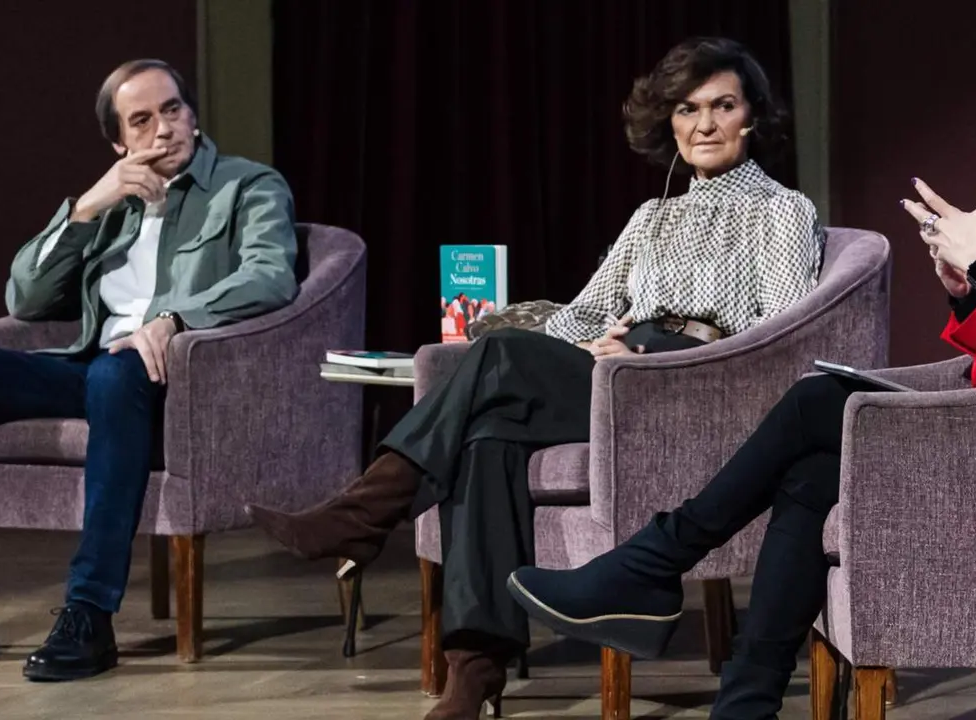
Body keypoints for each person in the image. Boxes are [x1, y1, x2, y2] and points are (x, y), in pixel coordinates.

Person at [507, 8, 976, 719]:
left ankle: (650, 565)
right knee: (810, 468)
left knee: (819, 403)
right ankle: (743, 699)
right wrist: (968, 291)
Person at [245, 37, 823, 719]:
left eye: (723, 106)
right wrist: (589, 341)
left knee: (495, 362)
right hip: (616, 371)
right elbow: (581, 312)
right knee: (487, 434)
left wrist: (656, 360)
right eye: (688, 109)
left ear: (753, 117)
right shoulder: (652, 216)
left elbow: (781, 340)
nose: (703, 125)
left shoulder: (783, 211)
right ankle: (475, 669)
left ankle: (363, 515)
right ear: (667, 121)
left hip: (689, 384)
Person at [0, 59, 298, 681]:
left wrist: (175, 319)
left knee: (116, 373)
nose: (163, 130)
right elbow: (27, 301)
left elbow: (269, 276)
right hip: (92, 369)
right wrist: (88, 207)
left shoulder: (246, 186)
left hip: (174, 379)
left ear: (193, 116)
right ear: (120, 142)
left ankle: (89, 613)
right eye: (142, 120)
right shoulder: (114, 206)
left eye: (172, 110)